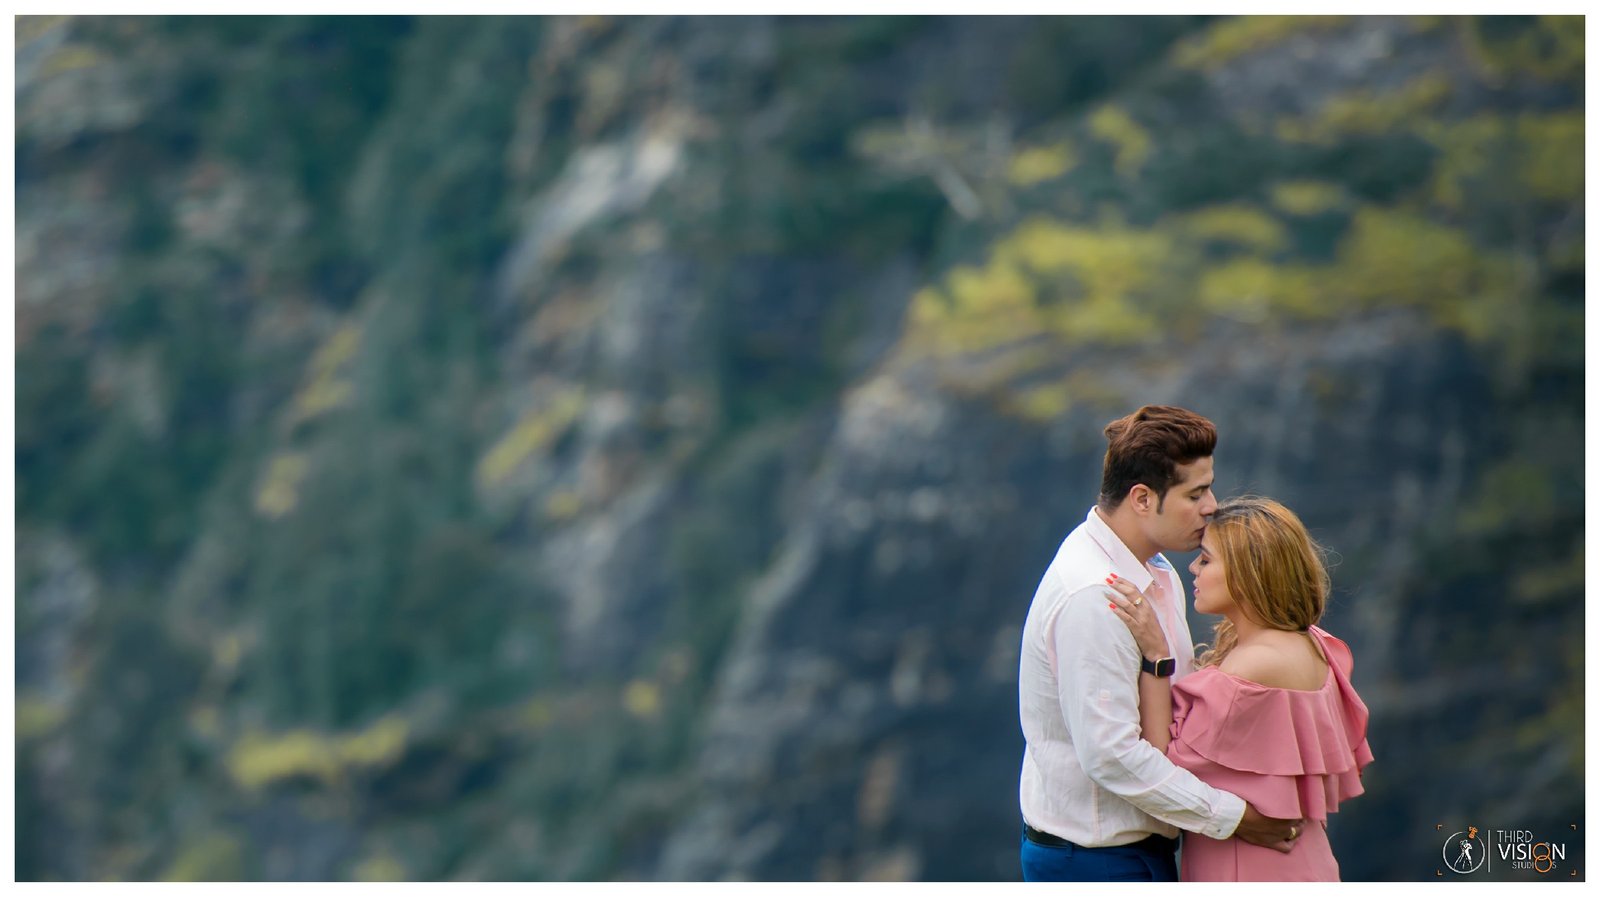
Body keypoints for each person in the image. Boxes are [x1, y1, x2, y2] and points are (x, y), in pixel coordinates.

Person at [1017, 406, 1302, 882]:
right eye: (1195, 493)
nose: (1211, 505)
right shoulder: (1096, 597)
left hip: (1134, 849)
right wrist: (1234, 818)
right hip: (1094, 861)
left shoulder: (1153, 568)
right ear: (1143, 499)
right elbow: (1111, 755)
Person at [1107, 496, 1373, 881]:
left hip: (1249, 869)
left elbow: (1159, 762)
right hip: (1302, 864)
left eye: (1207, 558)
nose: (1194, 568)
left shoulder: (1250, 667)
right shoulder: (1317, 644)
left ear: (1250, 571)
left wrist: (1156, 655)